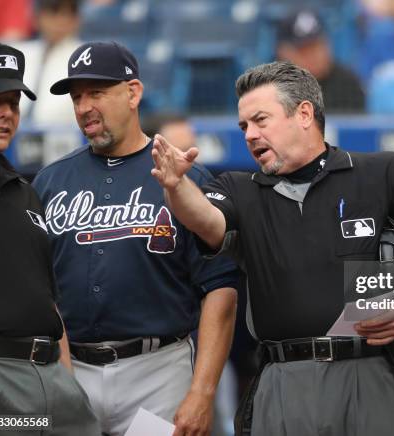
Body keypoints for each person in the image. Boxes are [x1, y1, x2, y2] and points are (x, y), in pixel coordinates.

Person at [151, 60, 394, 435]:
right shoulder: (239, 188)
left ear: (304, 113)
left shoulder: (384, 171)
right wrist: (176, 188)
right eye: (244, 126)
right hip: (283, 377)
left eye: (261, 120)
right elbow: (207, 220)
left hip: (368, 370)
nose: (249, 134)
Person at [32, 41, 240, 436]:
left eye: (97, 92)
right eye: (77, 97)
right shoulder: (49, 182)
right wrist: (59, 378)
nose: (84, 107)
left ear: (133, 93)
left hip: (157, 370)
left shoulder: (184, 179)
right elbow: (41, 291)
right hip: (73, 368)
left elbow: (221, 287)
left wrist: (202, 392)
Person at [0, 40, 100, 435]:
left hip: (51, 379)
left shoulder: (26, 192)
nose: (6, 114)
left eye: (13, 103)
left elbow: (47, 296)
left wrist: (65, 378)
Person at [276, 9, 365, 113]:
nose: (312, 56)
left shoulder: (347, 84)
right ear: (283, 53)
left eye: (317, 47)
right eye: (303, 50)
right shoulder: (270, 87)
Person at [14, 0, 82, 125]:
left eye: (69, 13)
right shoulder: (19, 52)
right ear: (37, 17)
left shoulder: (83, 59)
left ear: (77, 19)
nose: (61, 20)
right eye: (53, 12)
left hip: (62, 136)